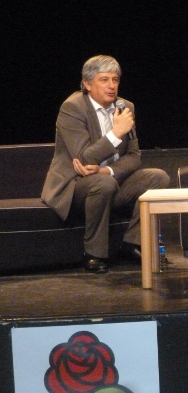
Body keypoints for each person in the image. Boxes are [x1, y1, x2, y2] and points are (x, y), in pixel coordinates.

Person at [42, 55, 170, 273]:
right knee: (103, 184)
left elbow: (134, 156)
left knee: (158, 177)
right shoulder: (72, 108)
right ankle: (94, 253)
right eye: (104, 80)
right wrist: (116, 133)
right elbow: (83, 159)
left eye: (115, 79)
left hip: (109, 180)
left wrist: (107, 170)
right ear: (87, 84)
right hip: (75, 185)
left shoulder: (125, 107)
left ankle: (134, 243)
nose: (112, 86)